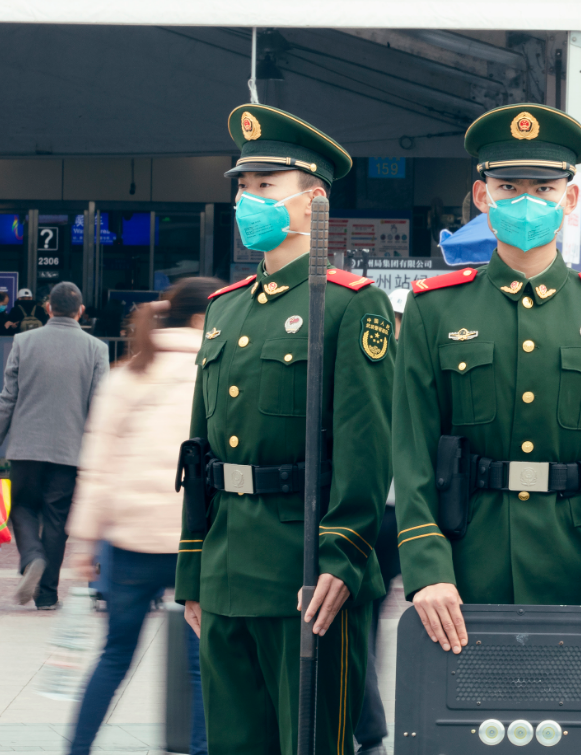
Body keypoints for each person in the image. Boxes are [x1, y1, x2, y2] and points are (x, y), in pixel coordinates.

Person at [392, 103, 581, 666]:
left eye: (543, 188)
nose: (525, 201)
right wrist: (427, 569)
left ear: (570, 199)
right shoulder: (434, 309)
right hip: (466, 574)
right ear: (480, 196)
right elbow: (410, 449)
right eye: (508, 186)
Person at [174, 104, 394, 755]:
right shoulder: (225, 309)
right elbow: (198, 451)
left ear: (310, 202)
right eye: (243, 186)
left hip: (306, 574)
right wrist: (193, 572)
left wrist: (343, 556)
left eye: (265, 187)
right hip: (227, 569)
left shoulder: (352, 305)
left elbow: (365, 444)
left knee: (312, 744)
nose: (248, 200)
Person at [66, 278, 223, 755]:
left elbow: (97, 464)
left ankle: (77, 749)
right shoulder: (217, 371)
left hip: (130, 541)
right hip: (195, 542)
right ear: (202, 320)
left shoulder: (128, 373)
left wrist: (84, 542)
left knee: (114, 656)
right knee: (202, 667)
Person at [0, 281, 108, 609]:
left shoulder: (23, 341)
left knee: (21, 507)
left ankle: (31, 556)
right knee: (57, 519)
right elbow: (99, 405)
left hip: (25, 447)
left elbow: (8, 398)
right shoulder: (96, 349)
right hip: (69, 451)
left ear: (48, 309)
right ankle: (46, 595)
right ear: (81, 311)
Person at [352, 288, 409, 755]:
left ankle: (369, 731)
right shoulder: (426, 367)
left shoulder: (372, 364)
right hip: (410, 517)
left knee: (360, 624)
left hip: (374, 516)